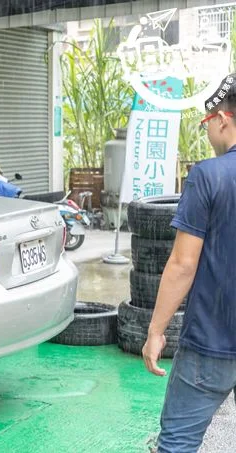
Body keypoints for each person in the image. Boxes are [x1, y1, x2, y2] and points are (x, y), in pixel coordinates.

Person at [142, 72, 236, 452]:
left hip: (210, 344)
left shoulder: (207, 176)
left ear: (222, 120)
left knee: (177, 444)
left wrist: (155, 331)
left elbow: (183, 264)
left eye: (208, 125)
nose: (208, 134)